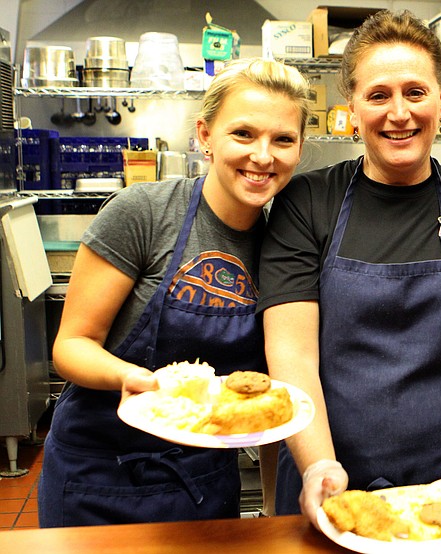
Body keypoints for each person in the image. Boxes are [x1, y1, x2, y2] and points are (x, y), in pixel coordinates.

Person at [259, 9, 441, 526]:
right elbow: (291, 348)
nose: (399, 113)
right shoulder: (308, 202)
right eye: (379, 95)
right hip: (333, 480)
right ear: (353, 108)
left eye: (415, 92)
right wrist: (318, 464)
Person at [38, 57, 311, 527]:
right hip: (99, 475)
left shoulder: (287, 245)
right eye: (243, 133)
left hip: (204, 485)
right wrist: (137, 380)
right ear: (205, 136)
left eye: (283, 139)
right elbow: (71, 346)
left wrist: (269, 506)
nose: (263, 156)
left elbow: (268, 402)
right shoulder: (144, 212)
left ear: (300, 148)